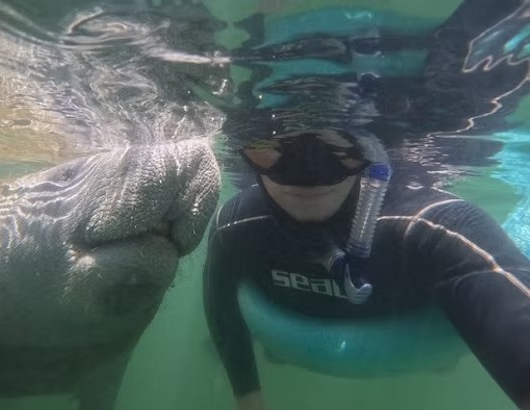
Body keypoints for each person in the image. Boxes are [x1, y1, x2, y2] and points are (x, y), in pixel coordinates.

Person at [202, 126, 530, 410]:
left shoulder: (431, 227)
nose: (306, 170)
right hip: (294, 335)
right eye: (271, 148)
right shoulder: (237, 226)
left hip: (417, 339)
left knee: (442, 365)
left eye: (339, 149)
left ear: (370, 152)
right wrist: (248, 397)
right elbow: (221, 306)